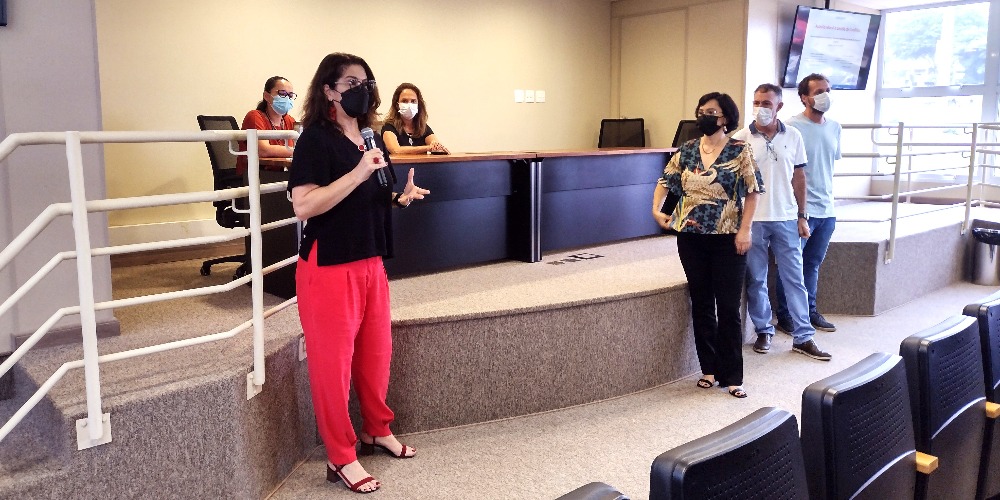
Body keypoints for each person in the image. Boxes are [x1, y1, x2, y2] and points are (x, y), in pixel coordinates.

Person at [287, 53, 430, 494]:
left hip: (370, 262)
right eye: (351, 82)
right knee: (333, 367)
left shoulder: (370, 137)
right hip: (329, 267)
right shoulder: (315, 139)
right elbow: (305, 205)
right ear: (329, 90)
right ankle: (341, 457)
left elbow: (372, 195)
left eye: (366, 81)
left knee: (375, 355)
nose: (361, 89)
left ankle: (375, 429)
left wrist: (399, 197)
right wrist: (357, 172)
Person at [652, 92, 763, 399]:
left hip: (729, 237)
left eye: (711, 111)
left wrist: (745, 231)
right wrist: (656, 209)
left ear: (725, 117)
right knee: (701, 303)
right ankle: (709, 370)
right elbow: (666, 181)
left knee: (728, 307)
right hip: (690, 237)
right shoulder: (687, 149)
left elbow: (752, 192)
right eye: (701, 111)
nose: (704, 116)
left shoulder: (740, 150)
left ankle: (732, 376)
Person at [732, 83, 831, 361]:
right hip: (753, 221)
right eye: (757, 102)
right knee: (756, 280)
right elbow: (734, 184)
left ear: (779, 107)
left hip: (787, 218)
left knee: (794, 279)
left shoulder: (794, 136)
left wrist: (802, 215)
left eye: (766, 103)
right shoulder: (740, 139)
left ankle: (803, 336)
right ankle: (764, 330)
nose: (760, 108)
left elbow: (799, 177)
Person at [775, 74, 842, 334]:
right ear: (804, 97)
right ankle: (786, 315)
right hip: (798, 210)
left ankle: (810, 310)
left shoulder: (835, 127)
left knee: (812, 263)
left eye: (828, 89)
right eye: (818, 91)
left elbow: (828, 165)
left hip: (827, 209)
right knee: (791, 264)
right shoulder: (791, 127)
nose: (825, 95)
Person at [236, 75, 297, 175]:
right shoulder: (255, 116)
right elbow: (263, 150)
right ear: (266, 96)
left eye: (290, 96)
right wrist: (297, 151)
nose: (287, 99)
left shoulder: (289, 120)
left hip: (278, 175)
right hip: (254, 177)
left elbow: (301, 145)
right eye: (282, 94)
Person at [381, 83, 449, 155]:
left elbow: (435, 145)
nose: (409, 105)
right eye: (404, 101)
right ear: (397, 105)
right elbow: (396, 150)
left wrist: (437, 147)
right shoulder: (389, 127)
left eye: (413, 101)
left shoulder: (423, 127)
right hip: (399, 166)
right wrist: (427, 148)